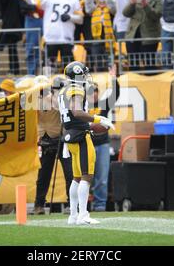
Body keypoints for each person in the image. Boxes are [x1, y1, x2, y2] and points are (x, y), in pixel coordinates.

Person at [59, 61, 115, 225]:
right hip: (81, 136)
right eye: (83, 73)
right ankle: (83, 215)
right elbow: (77, 112)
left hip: (71, 135)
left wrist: (90, 124)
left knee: (76, 178)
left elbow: (68, 118)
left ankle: (73, 215)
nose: (85, 76)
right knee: (87, 176)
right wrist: (97, 119)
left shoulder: (63, 90)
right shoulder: (76, 89)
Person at [20, 0, 84, 70]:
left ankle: (72, 84)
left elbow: (80, 19)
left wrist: (70, 17)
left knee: (69, 66)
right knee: (48, 67)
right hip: (50, 38)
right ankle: (47, 84)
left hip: (66, 38)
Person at [33, 76, 72, 215]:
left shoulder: (56, 98)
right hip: (45, 140)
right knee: (43, 175)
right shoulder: (34, 101)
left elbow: (58, 104)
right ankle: (38, 205)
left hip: (61, 139)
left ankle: (71, 204)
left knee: (69, 173)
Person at [88, 65, 120, 212]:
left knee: (102, 177)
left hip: (102, 144)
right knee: (87, 177)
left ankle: (100, 204)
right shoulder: (80, 106)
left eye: (95, 91)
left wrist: (114, 79)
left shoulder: (103, 104)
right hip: (87, 144)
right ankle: (86, 204)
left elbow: (115, 94)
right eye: (90, 91)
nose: (93, 94)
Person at [123, 0, 163, 70]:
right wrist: (132, 4)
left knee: (149, 65)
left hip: (149, 36)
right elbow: (125, 13)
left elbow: (156, 15)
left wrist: (146, 6)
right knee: (133, 65)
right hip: (133, 35)